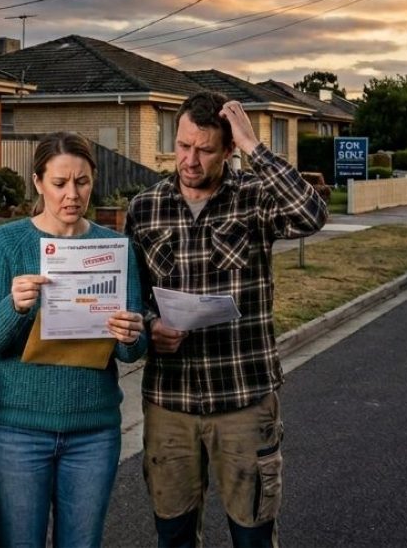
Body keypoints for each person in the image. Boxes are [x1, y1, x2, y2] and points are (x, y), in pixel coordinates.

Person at [125, 91, 328, 548]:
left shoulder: (256, 199)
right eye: (182, 145)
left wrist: (257, 147)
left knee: (252, 535)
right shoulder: (145, 207)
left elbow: (312, 214)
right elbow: (130, 295)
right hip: (169, 401)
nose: (190, 160)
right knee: (173, 536)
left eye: (205, 149)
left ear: (229, 149)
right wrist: (149, 324)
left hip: (243, 395)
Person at [0, 131, 147, 548]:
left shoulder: (115, 245)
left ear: (93, 180)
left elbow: (131, 350)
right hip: (17, 430)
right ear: (37, 182)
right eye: (60, 183)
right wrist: (12, 306)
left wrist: (131, 333)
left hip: (93, 430)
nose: (72, 194)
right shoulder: (5, 243)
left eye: (82, 182)